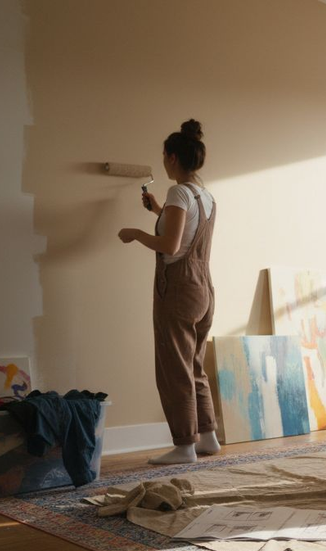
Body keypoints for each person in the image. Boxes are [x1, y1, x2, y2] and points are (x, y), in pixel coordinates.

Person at [118, 119, 220, 465]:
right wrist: (159, 211)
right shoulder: (204, 196)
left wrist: (135, 233)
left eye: (164, 156)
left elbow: (170, 244)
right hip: (203, 287)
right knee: (193, 364)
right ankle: (207, 437)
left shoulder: (179, 192)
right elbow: (187, 234)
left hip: (178, 287)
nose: (163, 161)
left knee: (173, 367)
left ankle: (184, 446)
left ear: (172, 157)